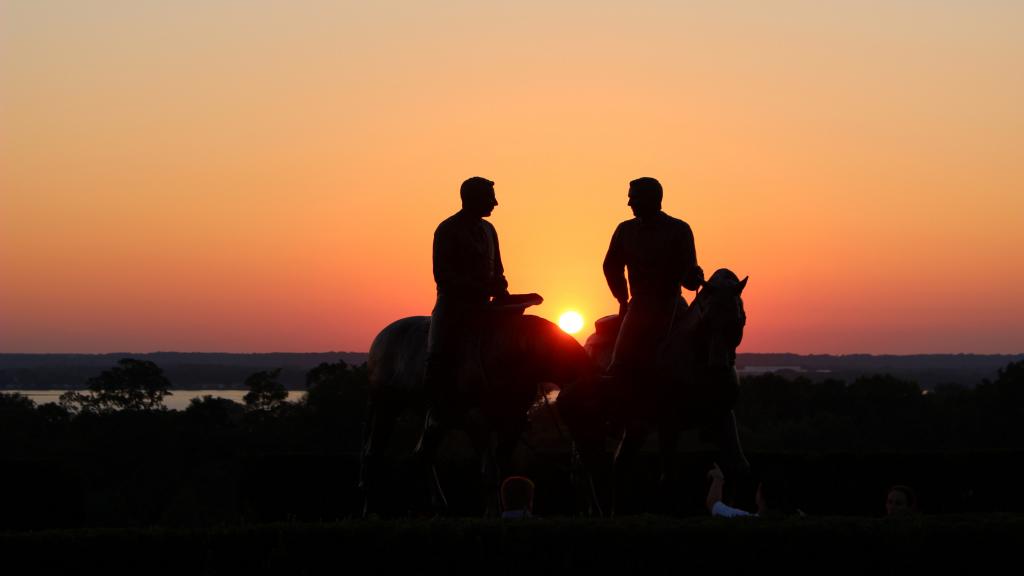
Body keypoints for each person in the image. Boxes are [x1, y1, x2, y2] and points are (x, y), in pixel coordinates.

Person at [602, 177, 704, 406]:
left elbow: (689, 277)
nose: (629, 203)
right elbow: (611, 266)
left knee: (701, 346)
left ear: (651, 199)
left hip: (672, 304)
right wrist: (622, 298)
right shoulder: (625, 230)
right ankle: (615, 404)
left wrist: (695, 275)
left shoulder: (679, 229)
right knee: (620, 361)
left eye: (633, 198)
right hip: (639, 308)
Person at [424, 176, 509, 423]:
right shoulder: (447, 229)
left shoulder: (489, 230)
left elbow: (499, 269)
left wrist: (501, 286)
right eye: (490, 198)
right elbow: (443, 276)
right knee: (438, 351)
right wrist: (480, 286)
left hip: (486, 306)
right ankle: (435, 401)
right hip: (454, 307)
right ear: (472, 199)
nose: (495, 203)